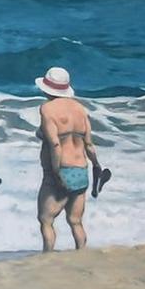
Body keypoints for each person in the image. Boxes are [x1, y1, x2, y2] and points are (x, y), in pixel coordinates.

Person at [34, 65, 102, 251]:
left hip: (60, 170)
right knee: (75, 221)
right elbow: (89, 144)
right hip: (81, 169)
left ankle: (48, 258)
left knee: (46, 220)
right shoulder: (80, 109)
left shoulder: (47, 109)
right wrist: (96, 165)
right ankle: (81, 255)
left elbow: (55, 144)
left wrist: (56, 174)